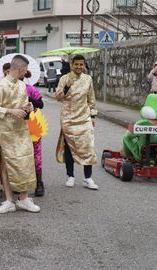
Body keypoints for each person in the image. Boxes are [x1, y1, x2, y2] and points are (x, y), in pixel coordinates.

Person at [0, 55, 40, 214]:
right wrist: (10, 111)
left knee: (24, 164)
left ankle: (24, 199)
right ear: (19, 68)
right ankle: (9, 200)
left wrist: (29, 107)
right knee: (6, 166)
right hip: (6, 133)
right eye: (25, 70)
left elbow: (24, 104)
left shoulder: (22, 85)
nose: (25, 73)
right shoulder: (0, 85)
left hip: (22, 131)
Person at [55, 54, 99, 190]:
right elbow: (58, 97)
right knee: (69, 147)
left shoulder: (88, 79)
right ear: (71, 65)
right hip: (68, 118)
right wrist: (66, 87)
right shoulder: (64, 78)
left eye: (81, 64)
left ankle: (88, 178)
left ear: (84, 65)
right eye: (76, 64)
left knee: (88, 146)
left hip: (84, 117)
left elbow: (91, 98)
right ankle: (70, 176)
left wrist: (92, 116)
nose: (79, 67)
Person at [22, 71, 45, 197]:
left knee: (36, 155)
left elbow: (41, 104)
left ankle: (39, 183)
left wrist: (29, 98)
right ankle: (20, 184)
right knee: (19, 155)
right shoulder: (8, 89)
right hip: (16, 127)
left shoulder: (30, 89)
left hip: (32, 126)